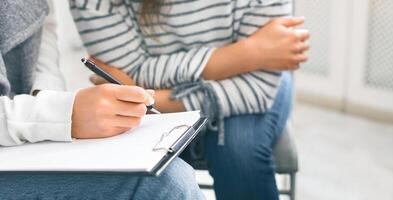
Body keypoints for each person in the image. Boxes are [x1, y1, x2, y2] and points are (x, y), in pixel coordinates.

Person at [70, 0, 310, 199]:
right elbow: (128, 76)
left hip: (252, 82)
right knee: (150, 169)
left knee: (238, 149)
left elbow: (257, 85)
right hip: (175, 95)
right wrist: (248, 53)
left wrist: (144, 91)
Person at [0, 0, 204, 199]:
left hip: (23, 133)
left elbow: (42, 27)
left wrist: (46, 98)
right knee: (166, 183)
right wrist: (63, 113)